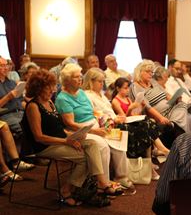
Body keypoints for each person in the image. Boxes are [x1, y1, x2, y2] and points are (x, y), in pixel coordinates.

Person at [24, 69, 122, 205]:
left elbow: (58, 130)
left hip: (59, 141)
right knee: (86, 158)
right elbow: (39, 137)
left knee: (92, 143)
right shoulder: (33, 107)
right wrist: (67, 141)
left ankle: (101, 182)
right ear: (38, 88)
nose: (53, 90)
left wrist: (75, 136)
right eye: (49, 87)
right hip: (45, 146)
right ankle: (67, 190)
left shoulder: (50, 103)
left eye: (53, 86)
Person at [54, 63, 130, 189]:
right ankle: (103, 184)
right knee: (103, 146)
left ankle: (121, 177)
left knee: (118, 139)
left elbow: (94, 112)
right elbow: (70, 124)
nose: (80, 79)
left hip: (94, 125)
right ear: (67, 80)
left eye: (80, 76)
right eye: (76, 77)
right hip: (79, 130)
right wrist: (95, 131)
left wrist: (106, 123)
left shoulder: (81, 93)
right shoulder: (63, 98)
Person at [0, 57, 24, 138]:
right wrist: (8, 97)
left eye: (6, 65)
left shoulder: (12, 83)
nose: (6, 68)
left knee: (40, 123)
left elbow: (21, 101)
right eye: (2, 65)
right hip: (6, 115)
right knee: (26, 129)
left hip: (20, 112)